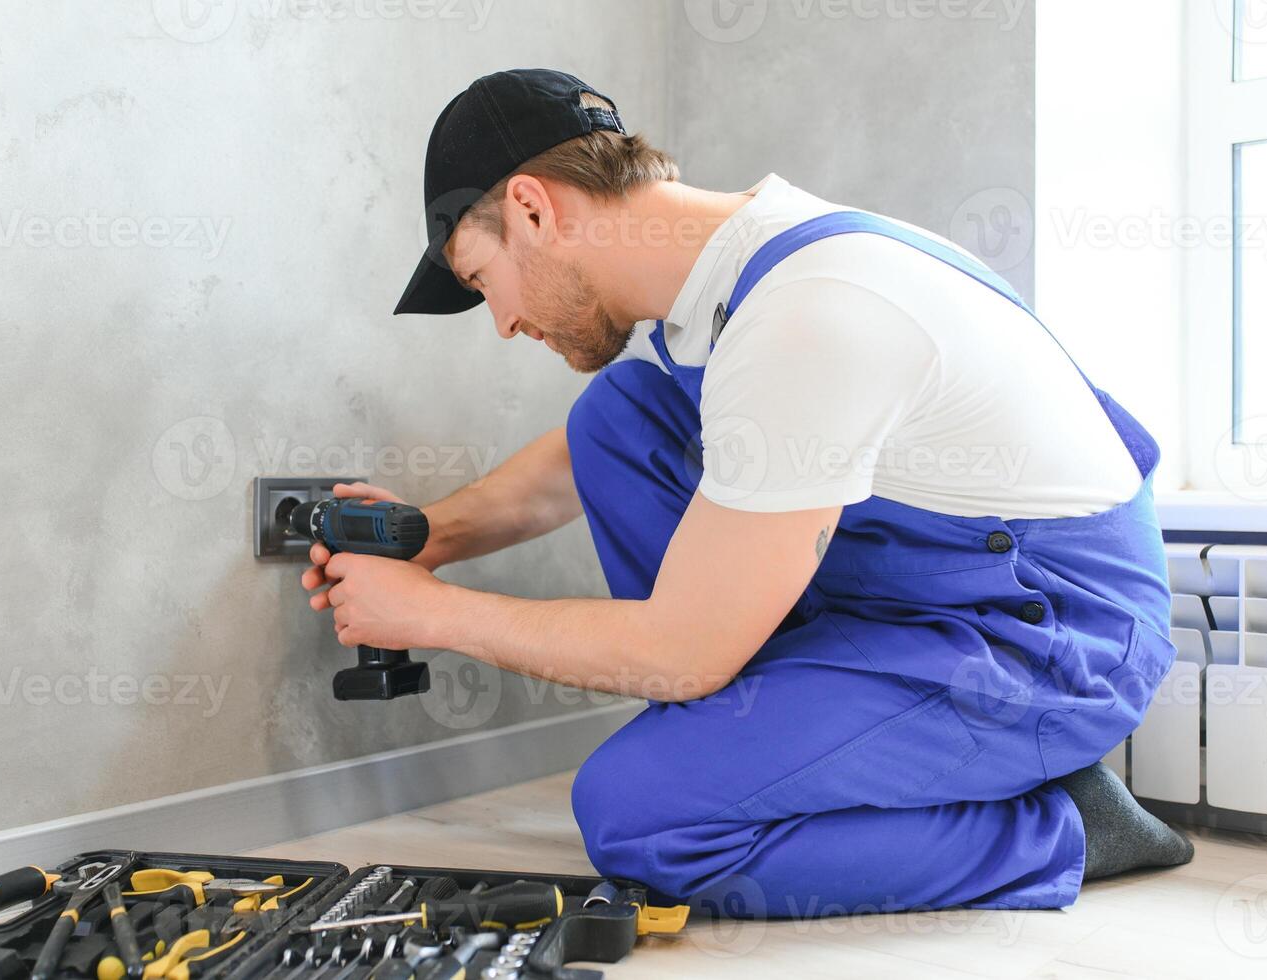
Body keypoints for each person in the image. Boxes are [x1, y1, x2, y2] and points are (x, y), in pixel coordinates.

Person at [299, 68, 1193, 915]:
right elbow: (578, 461)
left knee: (642, 818)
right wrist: (428, 536)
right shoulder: (730, 271)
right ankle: (766, 752)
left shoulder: (808, 311)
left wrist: (427, 614)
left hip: (1043, 639)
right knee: (620, 413)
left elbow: (681, 653)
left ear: (531, 209)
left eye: (479, 277)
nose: (501, 322)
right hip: (932, 593)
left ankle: (1061, 826)